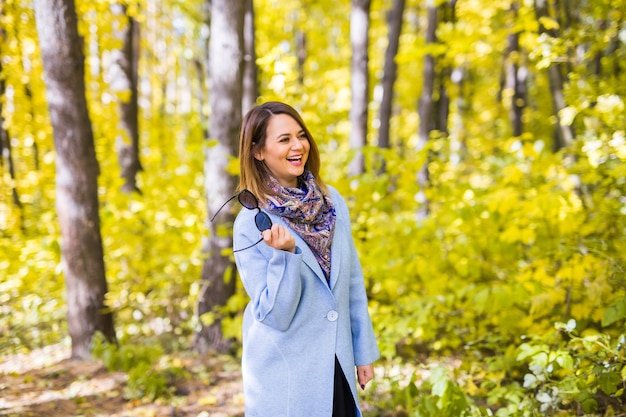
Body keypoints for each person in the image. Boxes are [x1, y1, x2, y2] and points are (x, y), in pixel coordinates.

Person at [230, 101, 380, 416]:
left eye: (301, 135)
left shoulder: (332, 201)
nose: (298, 145)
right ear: (258, 151)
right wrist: (284, 258)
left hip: (336, 361)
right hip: (287, 374)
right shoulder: (251, 224)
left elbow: (351, 280)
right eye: (284, 139)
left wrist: (362, 351)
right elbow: (275, 316)